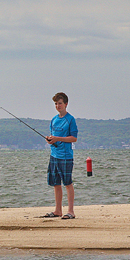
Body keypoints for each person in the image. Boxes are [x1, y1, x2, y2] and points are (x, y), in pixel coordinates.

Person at [44, 92, 78, 220]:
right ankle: (58, 210)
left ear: (66, 104)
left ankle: (71, 211)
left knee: (67, 183)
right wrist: (49, 140)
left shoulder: (70, 120)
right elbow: (52, 136)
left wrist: (58, 138)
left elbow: (74, 138)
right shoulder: (54, 119)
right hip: (54, 155)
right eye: (56, 104)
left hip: (65, 156)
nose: (58, 106)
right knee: (55, 183)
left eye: (60, 103)